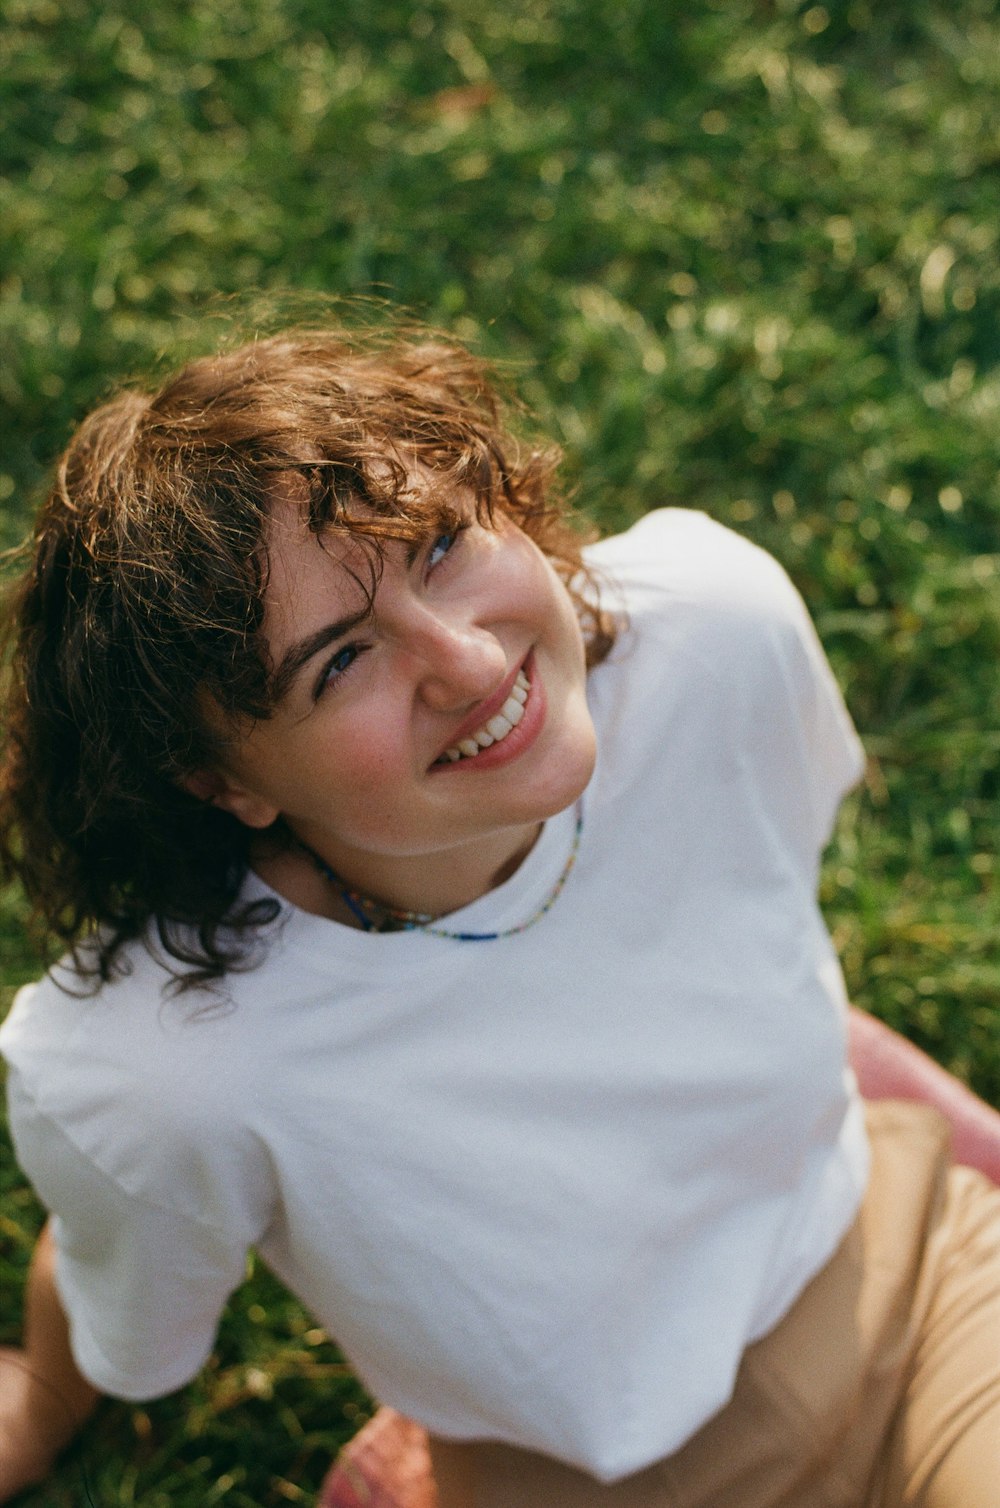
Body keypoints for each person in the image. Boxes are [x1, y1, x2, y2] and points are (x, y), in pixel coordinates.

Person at [0, 324, 998, 1508]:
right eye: (339, 662)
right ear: (225, 781)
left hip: (916, 1287)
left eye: (437, 543)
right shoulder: (167, 1071)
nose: (468, 661)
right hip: (571, 1478)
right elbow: (119, 1249)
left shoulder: (714, 635)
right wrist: (51, 1390)